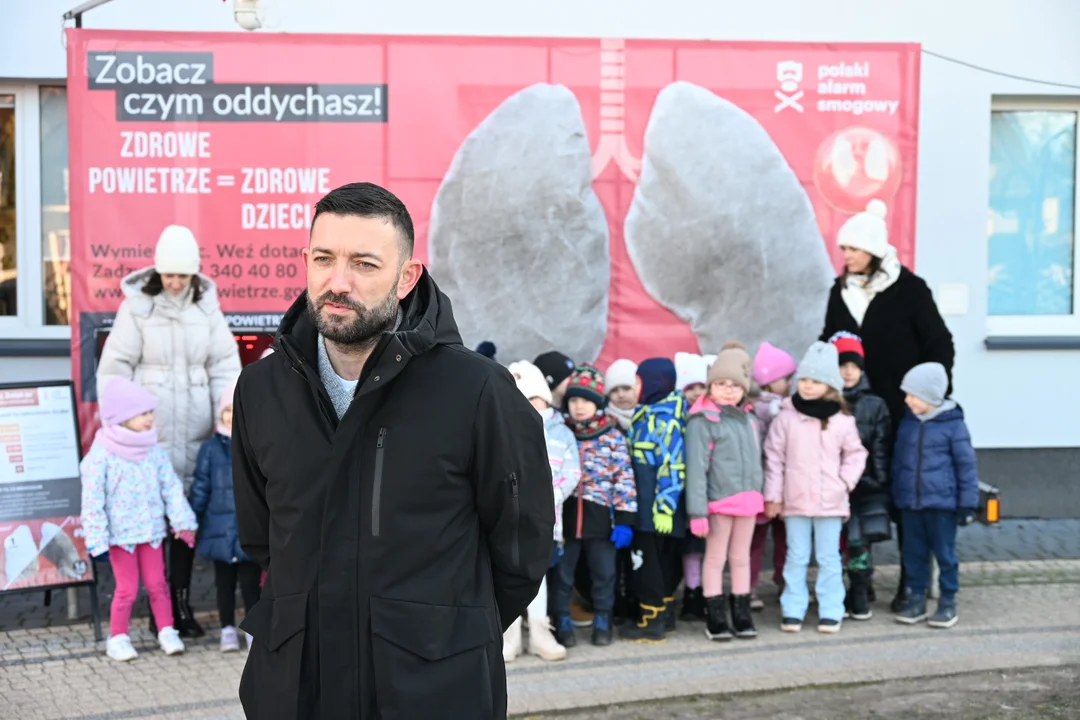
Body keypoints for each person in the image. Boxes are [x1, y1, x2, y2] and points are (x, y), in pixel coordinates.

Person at [232, 182, 553, 719]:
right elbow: (262, 537)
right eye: (324, 259)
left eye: (363, 263)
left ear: (407, 277)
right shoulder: (259, 391)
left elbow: (521, 548)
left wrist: (443, 630)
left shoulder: (477, 391)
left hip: (434, 692)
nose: (339, 282)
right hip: (294, 691)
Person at [96, 224, 242, 637]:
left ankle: (180, 606)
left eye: (182, 274)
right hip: (150, 438)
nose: (175, 282)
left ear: (194, 273)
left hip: (198, 432)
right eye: (168, 274)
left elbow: (224, 368)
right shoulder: (137, 308)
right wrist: (128, 419)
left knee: (185, 522)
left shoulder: (206, 308)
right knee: (151, 523)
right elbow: (114, 370)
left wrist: (226, 416)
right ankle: (157, 613)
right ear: (158, 271)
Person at [818, 199, 955, 612]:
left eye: (852, 249)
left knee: (903, 499)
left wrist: (930, 399)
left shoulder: (910, 290)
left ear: (874, 252)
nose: (845, 256)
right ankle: (860, 580)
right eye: (843, 250)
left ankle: (914, 583)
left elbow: (939, 344)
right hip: (853, 412)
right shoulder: (840, 291)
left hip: (901, 412)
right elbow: (828, 342)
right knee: (858, 497)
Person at [79, 377, 198, 662]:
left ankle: (167, 630)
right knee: (127, 589)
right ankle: (118, 637)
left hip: (151, 532)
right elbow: (93, 501)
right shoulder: (102, 455)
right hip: (121, 538)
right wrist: (97, 539)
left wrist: (182, 522)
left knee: (158, 584)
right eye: (142, 413)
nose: (149, 419)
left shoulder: (153, 451)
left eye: (149, 413)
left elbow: (170, 487)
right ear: (122, 417)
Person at [764, 342, 867, 635]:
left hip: (830, 501)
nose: (807, 386)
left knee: (829, 557)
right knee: (795, 556)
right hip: (794, 500)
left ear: (829, 385)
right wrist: (774, 496)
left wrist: (844, 483)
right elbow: (774, 458)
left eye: (816, 381)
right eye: (804, 380)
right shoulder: (786, 417)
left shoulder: (842, 421)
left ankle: (831, 609)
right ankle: (793, 609)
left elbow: (856, 454)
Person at [553, 365, 637, 649]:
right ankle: (562, 619)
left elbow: (623, 478)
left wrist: (625, 519)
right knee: (563, 573)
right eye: (574, 401)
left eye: (586, 401)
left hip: (601, 519)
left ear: (598, 404)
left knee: (604, 573)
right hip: (564, 518)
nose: (579, 407)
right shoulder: (561, 433)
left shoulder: (612, 437)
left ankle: (603, 618)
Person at [502, 360, 581, 663]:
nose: (531, 406)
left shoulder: (561, 433)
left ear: (545, 399)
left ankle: (539, 632)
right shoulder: (506, 431)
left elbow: (572, 471)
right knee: (508, 575)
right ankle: (509, 635)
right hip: (510, 518)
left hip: (548, 518)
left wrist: (551, 498)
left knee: (539, 577)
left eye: (535, 399)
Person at [891, 363, 979, 629]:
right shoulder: (908, 424)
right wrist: (897, 496)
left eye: (912, 395)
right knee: (913, 553)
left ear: (929, 397)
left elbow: (966, 466)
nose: (906, 400)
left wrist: (967, 504)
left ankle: (948, 601)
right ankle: (916, 598)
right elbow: (899, 463)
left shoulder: (953, 427)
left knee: (944, 554)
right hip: (911, 504)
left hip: (942, 505)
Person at [685, 343, 763, 641]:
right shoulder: (703, 421)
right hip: (718, 502)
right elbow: (697, 468)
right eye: (721, 384)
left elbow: (756, 460)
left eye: (734, 385)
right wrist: (698, 512)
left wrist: (760, 492)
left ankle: (741, 613)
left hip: (747, 501)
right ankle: (715, 615)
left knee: (740, 558)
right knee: (716, 558)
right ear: (710, 386)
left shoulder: (750, 419)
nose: (728, 390)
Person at [188, 380, 261, 653]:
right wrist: (191, 520)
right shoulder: (210, 449)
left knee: (251, 584)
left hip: (247, 527)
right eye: (226, 411)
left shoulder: (256, 442)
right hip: (219, 528)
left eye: (235, 410)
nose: (231, 417)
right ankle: (227, 629)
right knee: (224, 585)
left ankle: (253, 629)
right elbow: (201, 488)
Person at [620, 358, 687, 643]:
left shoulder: (664, 420)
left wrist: (664, 507)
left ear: (654, 384)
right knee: (658, 562)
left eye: (637, 382)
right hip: (646, 503)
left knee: (649, 563)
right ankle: (664, 615)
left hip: (654, 507)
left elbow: (673, 465)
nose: (634, 388)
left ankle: (652, 619)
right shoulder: (648, 413)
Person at [831, 332, 891, 621]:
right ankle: (841, 590)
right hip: (833, 485)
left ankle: (859, 589)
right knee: (836, 542)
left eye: (854, 365)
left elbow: (881, 443)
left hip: (866, 485)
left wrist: (879, 478)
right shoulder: (828, 402)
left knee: (860, 540)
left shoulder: (874, 403)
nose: (848, 371)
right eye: (843, 365)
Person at [748, 341, 797, 610]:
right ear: (769, 379)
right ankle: (782, 580)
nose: (790, 383)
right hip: (778, 483)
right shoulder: (778, 408)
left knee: (755, 541)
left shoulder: (754, 406)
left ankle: (751, 587)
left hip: (760, 483)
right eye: (786, 378)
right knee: (782, 538)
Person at [673, 351, 717, 620]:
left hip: (710, 488)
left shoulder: (711, 415)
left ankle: (705, 591)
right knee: (691, 547)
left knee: (708, 546)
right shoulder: (677, 415)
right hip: (684, 489)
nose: (696, 393)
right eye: (690, 388)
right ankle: (691, 591)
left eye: (701, 387)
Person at [604, 358, 640, 432]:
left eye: (626, 388)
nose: (621, 395)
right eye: (614, 390)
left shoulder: (654, 418)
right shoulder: (601, 424)